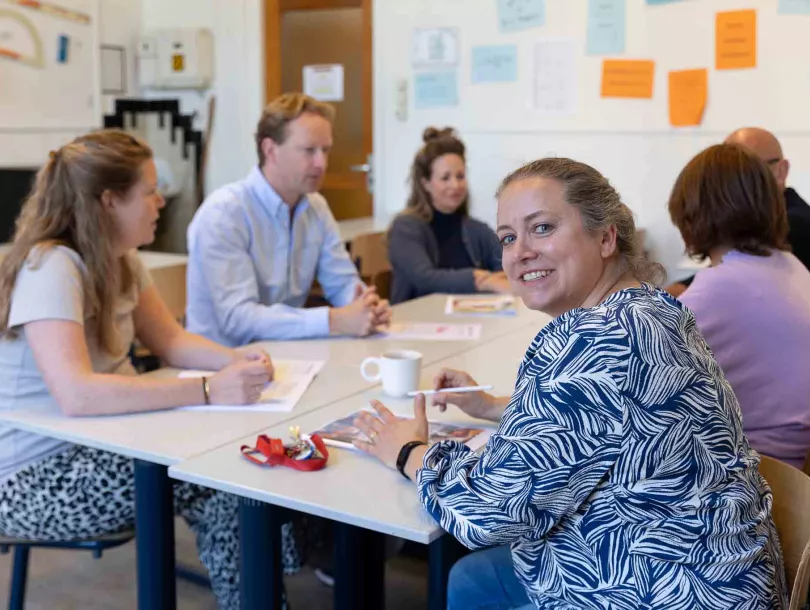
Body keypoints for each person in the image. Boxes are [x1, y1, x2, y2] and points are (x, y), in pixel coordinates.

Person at [353, 158, 786, 609]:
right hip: (719, 571)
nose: (520, 251)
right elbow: (620, 415)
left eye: (541, 228)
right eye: (507, 237)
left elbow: (484, 514)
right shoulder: (653, 307)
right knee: (474, 580)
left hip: (657, 589)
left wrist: (411, 452)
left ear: (605, 236)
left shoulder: (593, 340)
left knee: (477, 568)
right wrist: (496, 406)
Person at [0, 130, 294, 609]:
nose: (161, 201)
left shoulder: (122, 259)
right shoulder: (51, 266)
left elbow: (172, 342)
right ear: (110, 202)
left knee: (229, 466)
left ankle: (266, 585)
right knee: (221, 474)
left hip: (102, 445)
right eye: (149, 191)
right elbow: (78, 395)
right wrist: (207, 391)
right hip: (33, 479)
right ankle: (262, 592)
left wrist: (237, 362)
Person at [185, 93, 392, 346]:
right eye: (309, 151)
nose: (322, 163)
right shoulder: (224, 214)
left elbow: (341, 281)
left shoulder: (315, 207)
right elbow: (239, 320)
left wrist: (363, 306)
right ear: (270, 150)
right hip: (219, 364)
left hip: (284, 356)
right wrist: (334, 320)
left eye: (325, 150)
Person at [669, 143, 810, 469]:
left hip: (758, 471)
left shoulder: (721, 286)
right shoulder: (786, 263)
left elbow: (635, 364)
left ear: (690, 213)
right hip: (790, 463)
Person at [668, 126, 810, 296]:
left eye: (748, 171)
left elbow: (724, 282)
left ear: (781, 170)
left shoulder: (791, 224)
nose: (730, 182)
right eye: (724, 172)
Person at [387, 127, 510, 304]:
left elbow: (508, 265)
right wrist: (481, 279)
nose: (455, 185)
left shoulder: (476, 229)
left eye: (460, 176)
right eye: (445, 178)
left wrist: (496, 278)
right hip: (416, 321)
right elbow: (425, 279)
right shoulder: (405, 227)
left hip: (471, 321)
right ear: (426, 183)